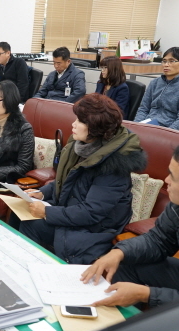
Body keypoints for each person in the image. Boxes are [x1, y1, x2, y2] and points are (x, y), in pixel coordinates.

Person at [82, 138, 179, 308]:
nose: (166, 180)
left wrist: (146, 294)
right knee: (123, 263)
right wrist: (119, 253)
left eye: (173, 177)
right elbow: (158, 240)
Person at [12, 93, 146, 264]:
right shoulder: (81, 147)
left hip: (95, 228)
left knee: (31, 223)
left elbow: (92, 212)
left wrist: (47, 211)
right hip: (72, 211)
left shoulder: (114, 166)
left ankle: (32, 269)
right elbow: (65, 182)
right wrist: (42, 193)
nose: (73, 124)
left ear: (96, 126)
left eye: (80, 121)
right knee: (20, 211)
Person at [134, 47, 179, 131]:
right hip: (148, 124)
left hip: (167, 127)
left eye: (172, 61)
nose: (166, 65)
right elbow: (143, 109)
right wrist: (136, 126)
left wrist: (167, 134)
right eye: (164, 61)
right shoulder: (155, 83)